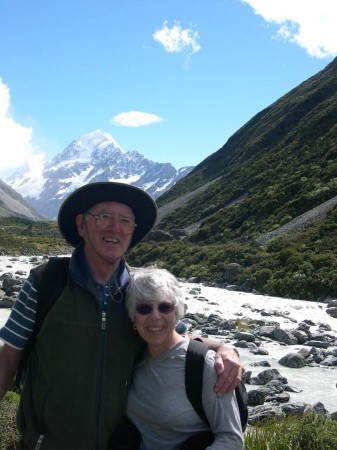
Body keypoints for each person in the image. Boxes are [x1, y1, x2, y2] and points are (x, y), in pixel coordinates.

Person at [0, 182, 244, 450]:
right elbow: (8, 360)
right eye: (104, 217)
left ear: (132, 231)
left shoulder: (139, 297)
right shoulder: (46, 282)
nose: (115, 228)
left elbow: (175, 334)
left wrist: (223, 347)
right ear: (82, 225)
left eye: (125, 221)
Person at [118, 266, 244, 450]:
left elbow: (231, 439)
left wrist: (227, 347)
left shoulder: (206, 365)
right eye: (144, 308)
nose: (155, 316)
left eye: (164, 307)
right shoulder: (135, 354)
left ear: (176, 312)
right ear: (133, 316)